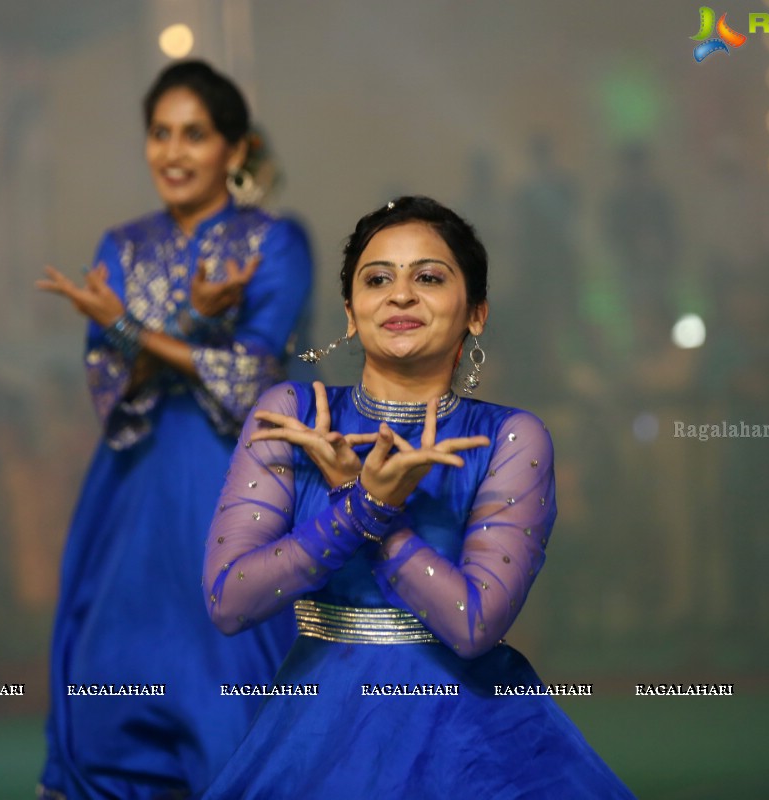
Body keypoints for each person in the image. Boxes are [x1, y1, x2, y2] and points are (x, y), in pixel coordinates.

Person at [200, 196, 633, 797]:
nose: (401, 296)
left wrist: (370, 511)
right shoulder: (293, 415)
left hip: (474, 740)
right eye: (377, 279)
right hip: (319, 730)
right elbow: (229, 602)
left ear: (476, 312)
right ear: (351, 312)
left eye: (428, 277)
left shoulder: (511, 437)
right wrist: (361, 509)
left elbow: (473, 625)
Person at [36, 60, 312, 799]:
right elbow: (110, 388)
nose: (173, 152)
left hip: (232, 480)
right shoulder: (120, 247)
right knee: (110, 692)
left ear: (236, 149)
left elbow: (250, 376)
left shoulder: (274, 244)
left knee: (232, 697)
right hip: (133, 492)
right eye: (160, 133)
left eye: (195, 134)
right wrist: (189, 322)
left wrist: (129, 327)